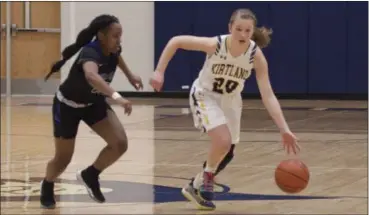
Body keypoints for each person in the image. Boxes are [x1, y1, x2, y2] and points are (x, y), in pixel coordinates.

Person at [150, 8, 300, 210]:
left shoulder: (256, 56)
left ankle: (194, 186)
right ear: (230, 27)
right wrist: (159, 72)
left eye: (248, 30)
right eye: (238, 29)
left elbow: (268, 95)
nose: (243, 35)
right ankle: (207, 177)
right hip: (205, 95)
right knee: (222, 140)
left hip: (231, 101)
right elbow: (176, 41)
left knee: (228, 152)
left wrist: (284, 129)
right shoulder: (216, 44)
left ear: (252, 31)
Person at [40, 14, 143, 209]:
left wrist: (130, 75)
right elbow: (91, 76)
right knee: (63, 159)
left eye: (120, 35)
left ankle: (91, 174)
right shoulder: (90, 52)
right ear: (101, 35)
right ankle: (48, 183)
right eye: (115, 36)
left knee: (120, 143)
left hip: (93, 103)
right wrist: (117, 97)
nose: (119, 40)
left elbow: (117, 56)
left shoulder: (113, 48)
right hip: (68, 106)